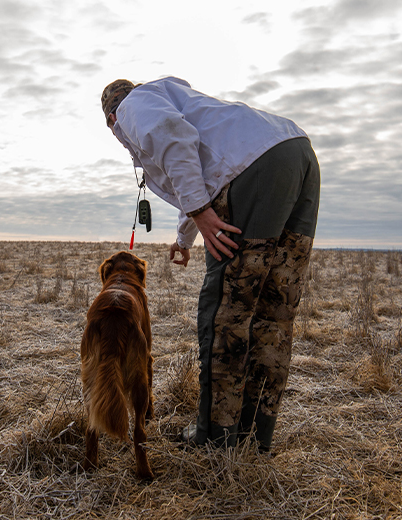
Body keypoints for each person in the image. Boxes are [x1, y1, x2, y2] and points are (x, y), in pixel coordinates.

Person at [100, 77, 319, 452]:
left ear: (111, 118)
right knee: (274, 311)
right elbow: (203, 171)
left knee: (226, 315)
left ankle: (215, 437)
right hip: (297, 154)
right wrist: (186, 237)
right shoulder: (178, 100)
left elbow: (173, 137)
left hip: (254, 170)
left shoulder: (134, 104)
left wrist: (200, 212)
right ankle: (255, 436)